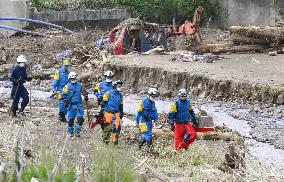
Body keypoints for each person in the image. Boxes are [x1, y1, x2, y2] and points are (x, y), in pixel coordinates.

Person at [62, 72, 88, 137]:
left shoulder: (80, 85)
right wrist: (65, 101)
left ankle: (77, 132)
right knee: (70, 120)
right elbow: (64, 95)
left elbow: (85, 92)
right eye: (72, 78)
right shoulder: (67, 86)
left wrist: (86, 96)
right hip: (71, 106)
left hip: (79, 105)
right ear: (69, 78)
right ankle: (70, 132)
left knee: (80, 119)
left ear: (76, 77)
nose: (73, 79)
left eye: (74, 77)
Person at [100, 80, 123, 145]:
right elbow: (103, 104)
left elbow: (121, 105)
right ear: (115, 86)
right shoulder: (108, 93)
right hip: (108, 112)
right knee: (108, 128)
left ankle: (114, 142)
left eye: (120, 86)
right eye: (118, 86)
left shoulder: (121, 95)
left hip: (116, 113)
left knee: (117, 128)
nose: (120, 87)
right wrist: (102, 112)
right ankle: (105, 142)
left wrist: (121, 113)